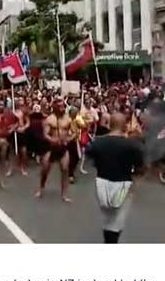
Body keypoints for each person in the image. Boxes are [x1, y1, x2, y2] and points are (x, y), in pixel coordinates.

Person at [85, 113, 144, 243]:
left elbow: (89, 155)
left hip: (102, 182)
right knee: (117, 219)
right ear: (124, 126)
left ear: (109, 124)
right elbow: (140, 167)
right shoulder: (132, 145)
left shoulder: (98, 142)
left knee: (107, 218)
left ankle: (109, 240)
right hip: (123, 183)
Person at [36, 99, 73, 203]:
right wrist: (52, 140)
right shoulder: (50, 119)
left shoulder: (68, 119)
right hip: (51, 148)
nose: (62, 108)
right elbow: (45, 134)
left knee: (65, 170)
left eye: (63, 106)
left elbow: (72, 132)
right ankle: (41, 188)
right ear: (55, 107)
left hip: (63, 147)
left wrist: (69, 139)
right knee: (45, 170)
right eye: (60, 106)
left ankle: (64, 194)